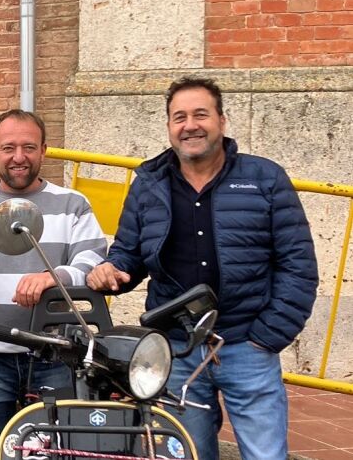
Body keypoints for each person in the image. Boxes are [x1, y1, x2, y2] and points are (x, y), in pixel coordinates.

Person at [85, 77, 318, 460]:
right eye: (179, 117)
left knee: (266, 455)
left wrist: (268, 336)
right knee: (187, 454)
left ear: (221, 121)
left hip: (246, 345)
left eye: (200, 115)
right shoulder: (148, 184)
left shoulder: (264, 178)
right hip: (176, 351)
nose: (190, 125)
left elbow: (298, 265)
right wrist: (112, 270)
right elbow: (129, 253)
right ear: (169, 126)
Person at [0, 109, 107, 460]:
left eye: (28, 147)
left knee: (56, 454)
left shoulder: (72, 204)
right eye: (8, 147)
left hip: (54, 356)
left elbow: (92, 263)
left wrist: (53, 277)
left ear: (44, 150)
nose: (18, 157)